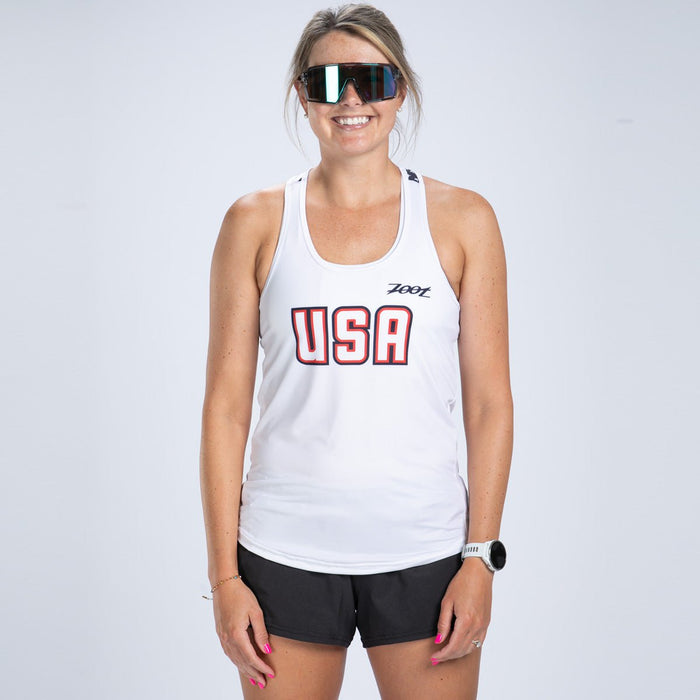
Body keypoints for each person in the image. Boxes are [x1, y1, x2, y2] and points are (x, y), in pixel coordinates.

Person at [199, 4, 513, 698]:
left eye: (371, 79)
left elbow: (490, 404)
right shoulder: (255, 222)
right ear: (301, 95)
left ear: (400, 89)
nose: (350, 100)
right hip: (282, 551)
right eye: (326, 81)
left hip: (427, 550)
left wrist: (479, 560)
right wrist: (224, 578)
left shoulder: (463, 220)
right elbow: (225, 409)